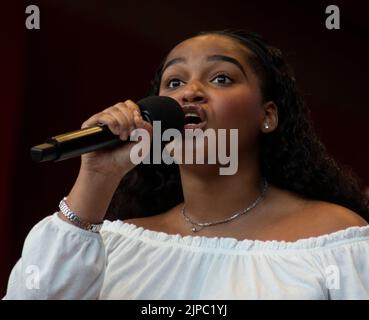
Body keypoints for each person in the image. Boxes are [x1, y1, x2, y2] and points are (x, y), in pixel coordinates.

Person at [4, 30, 369, 300]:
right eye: (174, 81)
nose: (189, 91)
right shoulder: (115, 247)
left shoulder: (334, 239)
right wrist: (97, 176)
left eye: (221, 78)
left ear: (268, 115)